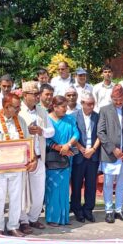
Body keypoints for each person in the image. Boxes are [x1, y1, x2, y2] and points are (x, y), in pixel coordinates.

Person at [0, 93, 35, 236]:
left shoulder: (21, 121)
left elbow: (28, 143)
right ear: (6, 106)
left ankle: (13, 226)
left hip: (17, 167)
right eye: (16, 107)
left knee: (16, 197)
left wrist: (32, 160)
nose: (18, 110)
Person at [20, 81, 55, 233]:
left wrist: (41, 131)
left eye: (36, 94)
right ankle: (22, 220)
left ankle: (33, 218)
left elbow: (51, 131)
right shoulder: (18, 110)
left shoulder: (42, 111)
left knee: (38, 190)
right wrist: (27, 131)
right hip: (22, 159)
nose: (35, 97)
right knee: (21, 192)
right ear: (24, 95)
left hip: (39, 156)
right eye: (32, 95)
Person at [97, 84, 123, 223]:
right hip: (110, 154)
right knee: (107, 183)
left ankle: (119, 209)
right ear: (111, 98)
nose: (118, 102)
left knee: (122, 184)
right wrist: (113, 148)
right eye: (115, 99)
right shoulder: (104, 110)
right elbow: (101, 132)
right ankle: (108, 210)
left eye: (121, 99)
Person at [45, 96, 79, 226]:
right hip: (52, 158)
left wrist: (68, 145)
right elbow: (45, 138)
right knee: (53, 188)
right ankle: (52, 218)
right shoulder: (47, 120)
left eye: (66, 106)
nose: (66, 109)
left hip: (67, 157)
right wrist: (60, 148)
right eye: (63, 107)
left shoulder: (70, 119)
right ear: (54, 107)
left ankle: (64, 218)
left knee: (64, 188)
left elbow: (76, 134)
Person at [71, 92, 101, 223]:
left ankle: (88, 210)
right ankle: (77, 209)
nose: (91, 106)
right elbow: (71, 134)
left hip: (92, 155)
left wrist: (93, 149)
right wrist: (81, 148)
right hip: (79, 155)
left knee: (91, 185)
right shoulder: (73, 116)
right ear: (82, 103)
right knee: (76, 184)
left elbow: (101, 134)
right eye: (88, 104)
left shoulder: (97, 116)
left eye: (92, 104)